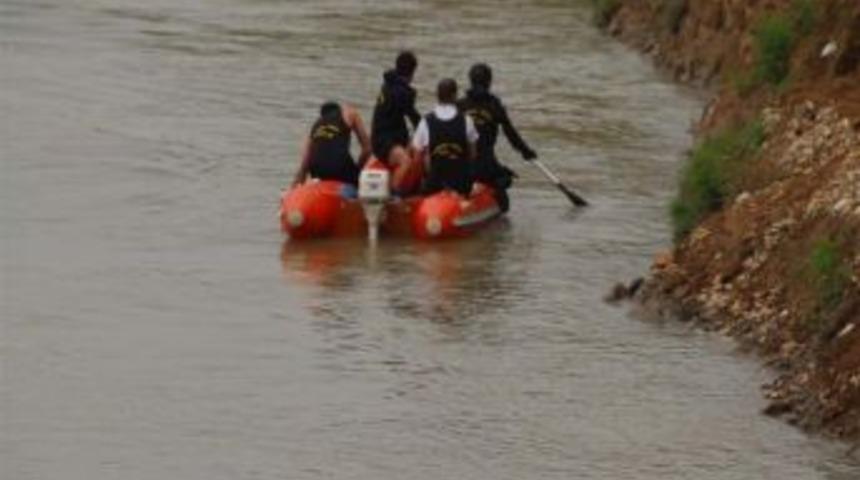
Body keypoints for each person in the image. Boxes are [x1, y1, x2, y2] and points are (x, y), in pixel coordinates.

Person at [457, 63, 537, 211]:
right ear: (489, 82)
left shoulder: (459, 105)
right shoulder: (495, 105)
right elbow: (510, 134)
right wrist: (526, 152)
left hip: (461, 164)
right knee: (506, 181)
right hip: (486, 164)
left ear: (471, 81)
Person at [412, 78, 478, 196]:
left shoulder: (425, 121)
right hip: (461, 184)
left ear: (437, 96)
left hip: (434, 183)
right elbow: (473, 155)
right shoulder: (466, 120)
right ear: (455, 96)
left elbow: (417, 158)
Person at [371, 51, 423, 194]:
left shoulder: (388, 83)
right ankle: (393, 195)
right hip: (385, 142)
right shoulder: (404, 92)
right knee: (406, 161)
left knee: (410, 143)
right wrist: (427, 129)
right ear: (412, 72)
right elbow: (414, 117)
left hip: (378, 137)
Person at [292, 102, 371, 189]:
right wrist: (358, 170)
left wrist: (293, 189)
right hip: (340, 167)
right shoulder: (350, 113)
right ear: (339, 109)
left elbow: (304, 165)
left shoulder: (316, 125)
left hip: (317, 171)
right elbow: (367, 149)